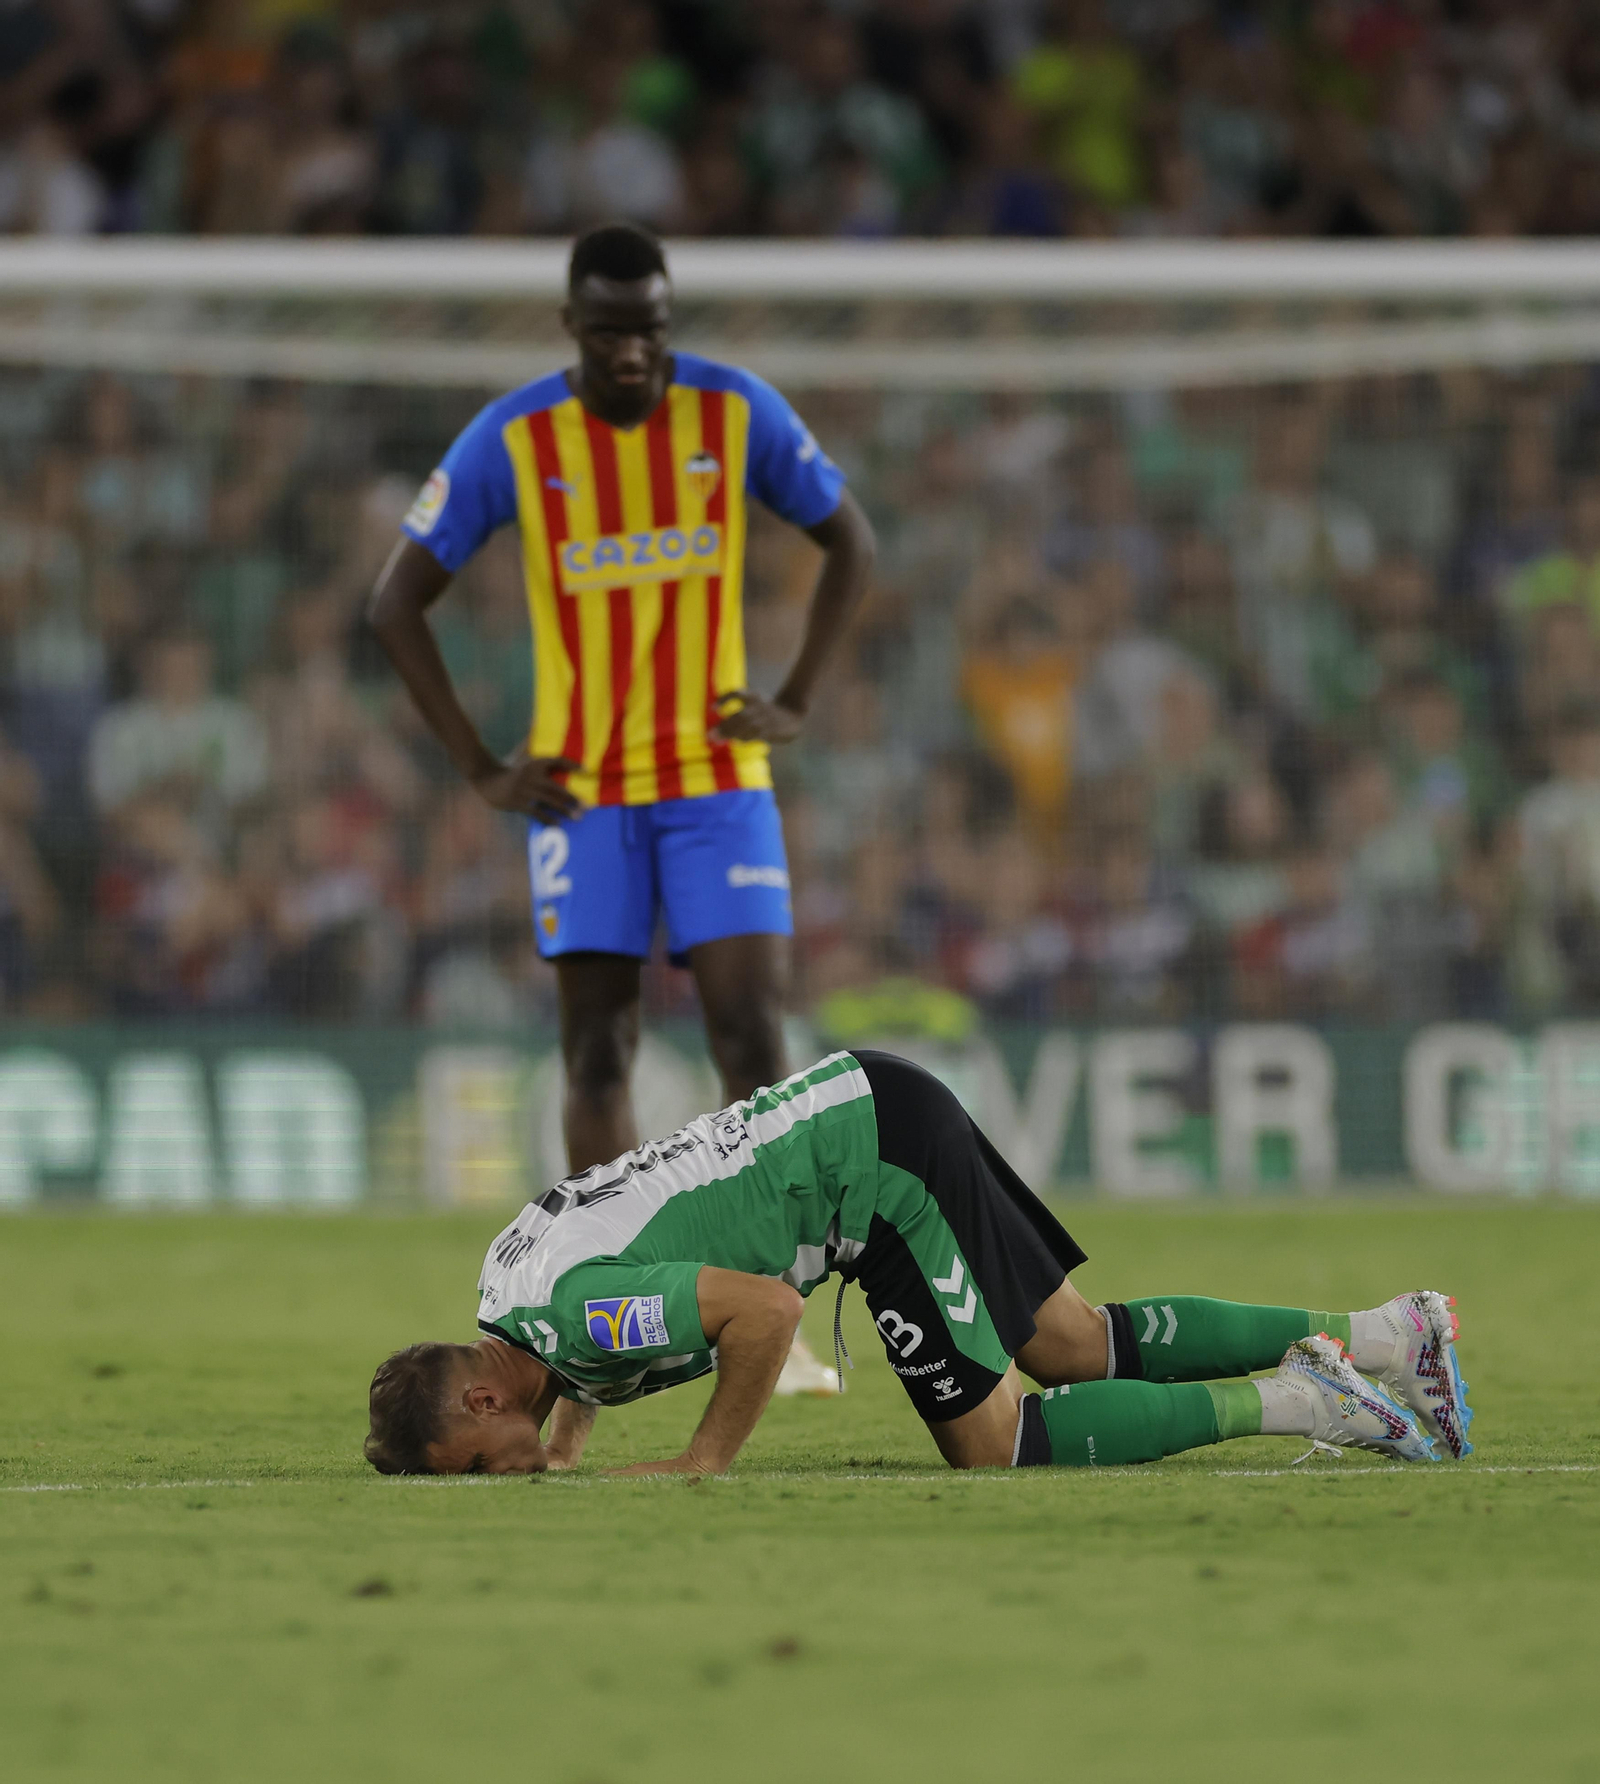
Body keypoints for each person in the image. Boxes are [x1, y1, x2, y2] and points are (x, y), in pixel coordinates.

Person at [368, 222, 877, 1453]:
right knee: (597, 1048)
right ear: (572, 330)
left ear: (667, 321)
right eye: (610, 331)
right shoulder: (512, 439)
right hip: (584, 793)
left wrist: (797, 697)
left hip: (715, 778)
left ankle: (775, 1313)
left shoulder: (737, 413)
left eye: (651, 326)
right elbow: (394, 601)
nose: (635, 349)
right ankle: (605, 1322)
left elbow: (851, 541)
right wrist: (486, 768)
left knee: (754, 1029)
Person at [364, 1050, 1474, 1477]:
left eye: (474, 1461)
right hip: (869, 1103)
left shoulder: (567, 1320)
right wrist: (561, 1436)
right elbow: (619, 1282)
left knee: (994, 1444)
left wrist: (702, 1460)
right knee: (1073, 1343)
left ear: (476, 1393)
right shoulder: (505, 1290)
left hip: (870, 1174)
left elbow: (759, 1311)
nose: (490, 1479)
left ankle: (1304, 1398)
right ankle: (1391, 1333)